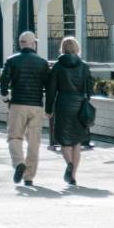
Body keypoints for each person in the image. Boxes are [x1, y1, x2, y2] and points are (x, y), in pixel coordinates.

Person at [0, 31, 50, 186]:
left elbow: (4, 80)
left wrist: (5, 96)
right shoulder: (42, 63)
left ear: (20, 43)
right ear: (33, 44)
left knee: (14, 137)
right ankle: (29, 176)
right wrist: (49, 107)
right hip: (36, 106)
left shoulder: (12, 60)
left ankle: (19, 162)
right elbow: (49, 86)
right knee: (34, 141)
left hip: (17, 104)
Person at [46, 36, 93, 186]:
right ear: (77, 48)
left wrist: (48, 108)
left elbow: (51, 89)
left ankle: (69, 164)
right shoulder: (84, 66)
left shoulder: (58, 66)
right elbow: (90, 88)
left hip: (63, 104)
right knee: (77, 142)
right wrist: (86, 98)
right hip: (79, 105)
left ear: (63, 48)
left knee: (64, 140)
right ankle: (72, 176)